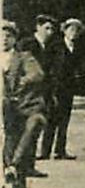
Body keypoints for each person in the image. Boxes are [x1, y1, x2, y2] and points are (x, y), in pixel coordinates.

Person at [4, 19, 50, 188]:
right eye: (1, 35)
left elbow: (37, 74)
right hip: (5, 114)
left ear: (14, 39)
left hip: (21, 112)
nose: (4, 39)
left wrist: (23, 81)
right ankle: (11, 166)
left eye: (8, 35)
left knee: (17, 161)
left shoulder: (23, 57)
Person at [41, 17, 85, 160]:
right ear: (65, 31)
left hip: (68, 88)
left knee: (64, 120)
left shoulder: (79, 48)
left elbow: (81, 66)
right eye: (71, 29)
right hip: (55, 87)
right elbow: (47, 66)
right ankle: (45, 151)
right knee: (51, 120)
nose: (74, 33)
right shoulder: (55, 46)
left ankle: (60, 151)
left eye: (77, 30)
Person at [18, 15, 58, 164]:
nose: (50, 32)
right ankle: (23, 162)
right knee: (28, 126)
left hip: (44, 91)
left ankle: (30, 163)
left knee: (38, 125)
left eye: (52, 29)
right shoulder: (26, 44)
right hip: (29, 92)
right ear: (38, 27)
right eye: (47, 28)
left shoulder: (51, 47)